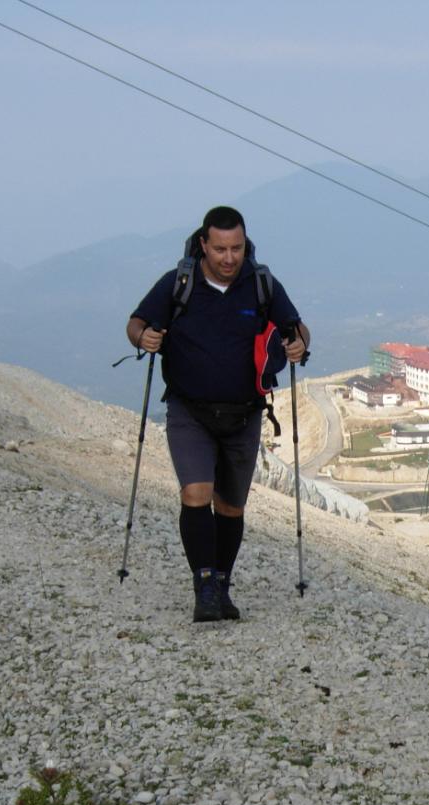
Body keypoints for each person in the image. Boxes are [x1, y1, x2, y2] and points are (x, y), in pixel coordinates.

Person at [127, 206, 309, 622]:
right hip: (189, 410)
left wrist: (297, 344)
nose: (229, 258)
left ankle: (222, 584)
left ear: (246, 245)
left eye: (237, 248)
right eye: (221, 249)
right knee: (195, 493)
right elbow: (135, 323)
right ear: (203, 245)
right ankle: (204, 584)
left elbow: (296, 327)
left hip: (245, 414)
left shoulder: (261, 283)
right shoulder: (179, 283)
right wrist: (145, 337)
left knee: (230, 507)